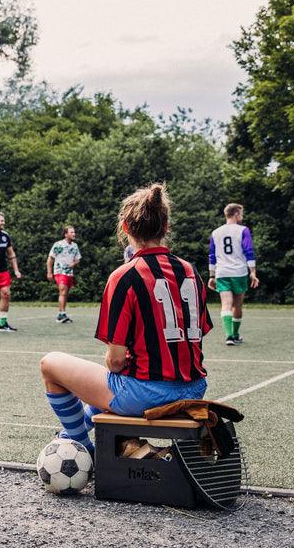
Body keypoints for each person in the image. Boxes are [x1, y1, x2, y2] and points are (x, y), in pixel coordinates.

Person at [39, 183, 211, 453]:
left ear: (126, 228)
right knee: (109, 381)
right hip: (194, 389)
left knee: (50, 365)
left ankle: (84, 449)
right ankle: (75, 433)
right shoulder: (190, 271)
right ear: (165, 227)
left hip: (144, 394)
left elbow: (116, 361)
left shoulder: (125, 276)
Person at [208, 203, 260, 346]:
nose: (242, 216)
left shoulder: (215, 232)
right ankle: (234, 335)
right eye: (241, 213)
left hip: (222, 273)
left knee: (225, 303)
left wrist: (212, 276)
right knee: (237, 305)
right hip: (239, 272)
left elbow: (212, 256)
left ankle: (229, 336)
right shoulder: (243, 230)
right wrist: (253, 272)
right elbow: (249, 251)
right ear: (236, 214)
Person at [46, 225, 81, 323]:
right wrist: (49, 272)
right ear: (66, 234)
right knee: (63, 292)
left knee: (65, 294)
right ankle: (61, 314)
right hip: (60, 271)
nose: (74, 234)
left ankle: (62, 313)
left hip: (69, 273)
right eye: (71, 232)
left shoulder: (74, 246)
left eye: (74, 232)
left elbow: (78, 259)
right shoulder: (58, 244)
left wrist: (73, 263)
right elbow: (50, 258)